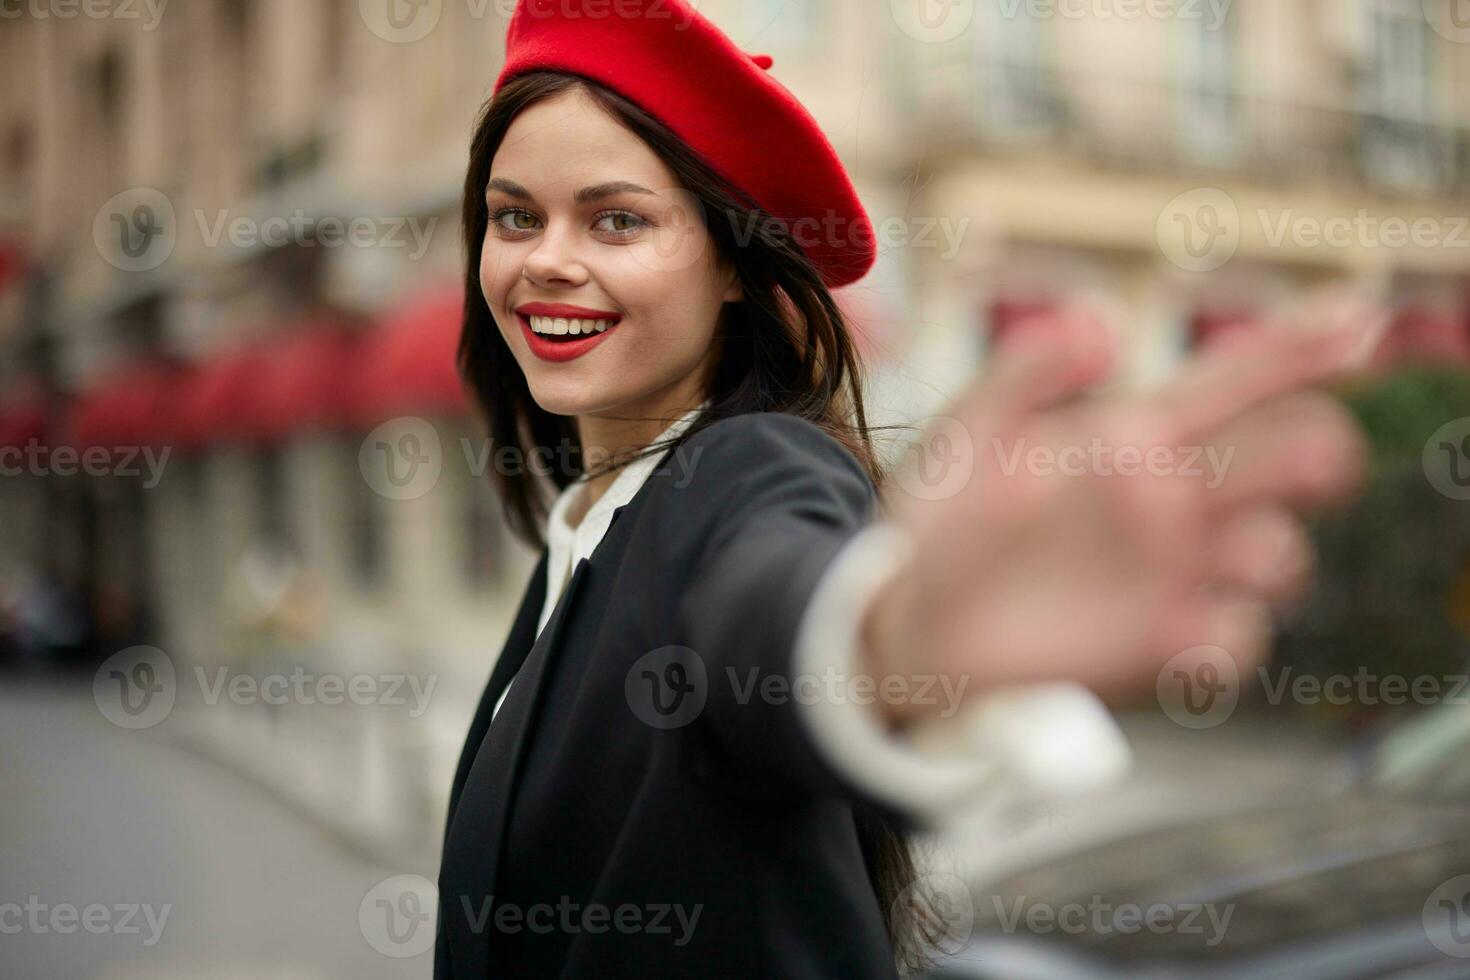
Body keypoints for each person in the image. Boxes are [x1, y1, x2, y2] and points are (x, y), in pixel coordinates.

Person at [434, 2, 1382, 977]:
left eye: (616, 218)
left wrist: (888, 642)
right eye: (515, 215)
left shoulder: (744, 467)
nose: (546, 257)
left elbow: (771, 593)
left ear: (730, 263)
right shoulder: (584, 524)